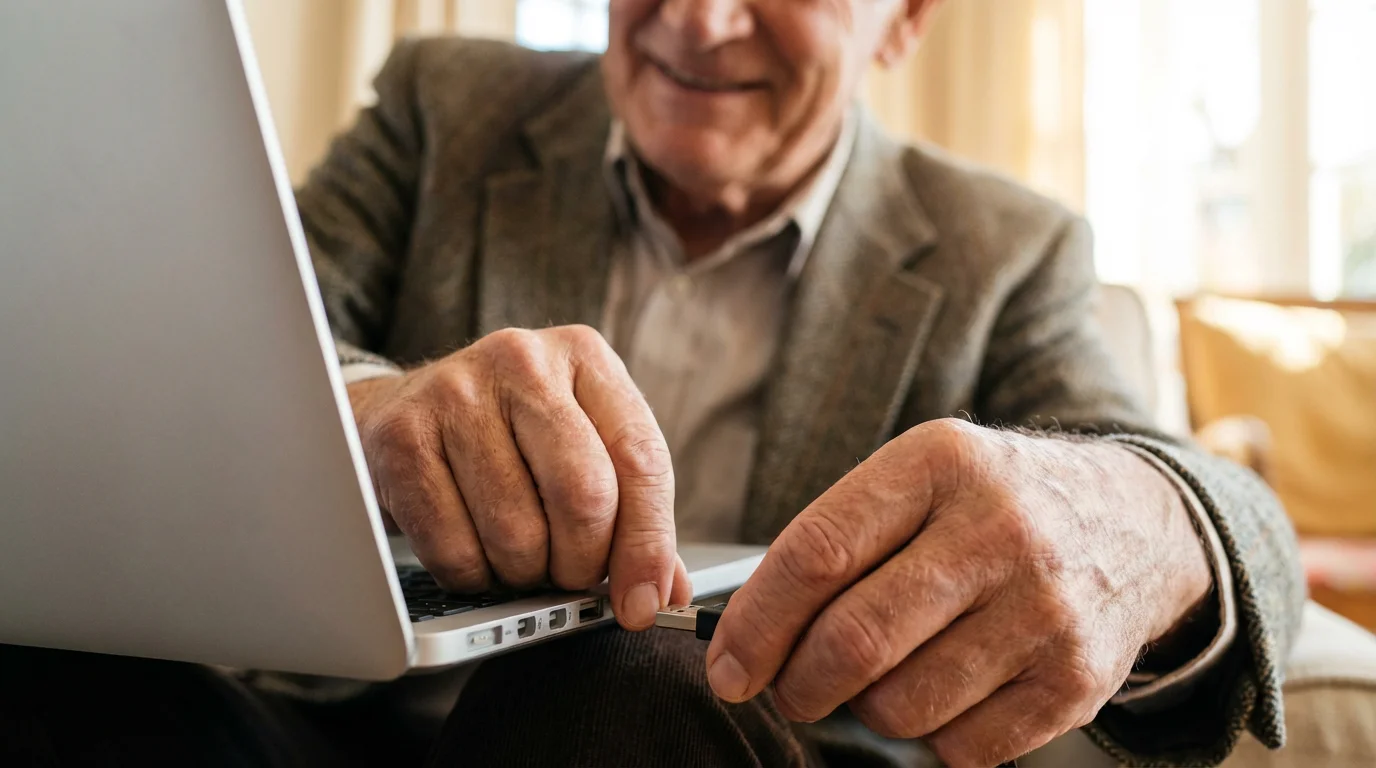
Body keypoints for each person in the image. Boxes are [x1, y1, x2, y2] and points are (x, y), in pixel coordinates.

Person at [0, 1, 1303, 766]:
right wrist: (369, 410)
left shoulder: (1001, 245)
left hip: (683, 749)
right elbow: (267, 329)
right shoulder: (448, 103)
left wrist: (1140, 515)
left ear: (906, 19)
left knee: (627, 686)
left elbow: (1212, 499)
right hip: (335, 734)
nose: (692, 21)